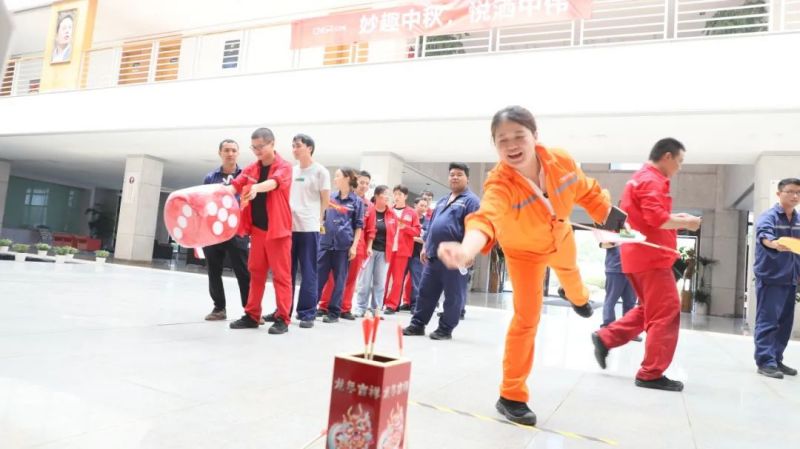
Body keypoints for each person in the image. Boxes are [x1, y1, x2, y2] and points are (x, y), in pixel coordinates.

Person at [437, 106, 616, 426]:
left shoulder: (561, 161)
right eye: (502, 140)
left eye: (519, 136)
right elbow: (485, 218)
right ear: (494, 145)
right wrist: (466, 249)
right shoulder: (499, 183)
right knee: (526, 318)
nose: (512, 145)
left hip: (560, 235)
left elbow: (589, 193)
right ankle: (511, 395)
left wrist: (619, 226)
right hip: (523, 254)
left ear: (535, 136)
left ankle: (578, 299)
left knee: (572, 275)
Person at [591, 138, 702, 392]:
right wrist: (688, 223)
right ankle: (651, 373)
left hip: (638, 257)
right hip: (651, 258)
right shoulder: (652, 180)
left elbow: (647, 218)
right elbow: (656, 218)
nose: (680, 167)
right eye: (679, 161)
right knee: (666, 311)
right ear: (667, 156)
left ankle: (606, 337)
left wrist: (678, 218)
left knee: (649, 309)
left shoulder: (640, 178)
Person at [227, 128, 293, 334]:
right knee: (255, 273)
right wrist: (219, 194)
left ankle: (283, 318)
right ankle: (252, 315)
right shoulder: (251, 168)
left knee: (281, 276)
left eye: (260, 147)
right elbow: (235, 186)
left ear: (272, 144)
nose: (257, 151)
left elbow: (274, 183)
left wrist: (256, 187)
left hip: (278, 231)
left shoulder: (284, 167)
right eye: (253, 147)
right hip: (257, 230)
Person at [404, 162, 480, 340]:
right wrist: (425, 246)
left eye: (459, 174)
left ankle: (445, 329)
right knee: (425, 292)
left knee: (453, 295)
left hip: (456, 259)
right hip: (433, 256)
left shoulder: (471, 201)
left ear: (467, 179)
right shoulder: (442, 201)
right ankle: (417, 325)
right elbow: (431, 226)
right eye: (452, 174)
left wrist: (469, 252)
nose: (455, 177)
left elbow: (475, 229)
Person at [263, 134, 330, 324]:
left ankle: (307, 313)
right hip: (287, 228)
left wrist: (318, 221)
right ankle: (283, 310)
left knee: (309, 271)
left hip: (309, 228)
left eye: (298, 145)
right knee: (285, 272)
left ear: (309, 148)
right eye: (293, 146)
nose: (294, 149)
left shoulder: (321, 172)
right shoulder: (291, 171)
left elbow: (325, 201)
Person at [753, 178, 800, 379]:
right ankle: (765, 361)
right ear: (779, 193)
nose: (795, 196)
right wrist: (773, 244)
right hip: (771, 277)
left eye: (798, 192)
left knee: (784, 323)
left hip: (791, 278)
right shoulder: (769, 216)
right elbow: (764, 235)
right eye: (790, 191)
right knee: (768, 320)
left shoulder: (798, 219)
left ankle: (776, 358)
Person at [305, 168, 364, 326]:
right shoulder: (330, 198)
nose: (335, 178)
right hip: (325, 244)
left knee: (339, 281)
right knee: (318, 278)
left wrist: (354, 247)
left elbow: (359, 226)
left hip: (343, 246)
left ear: (347, 178)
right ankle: (310, 309)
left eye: (338, 176)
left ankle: (334, 312)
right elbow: (322, 217)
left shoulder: (357, 201)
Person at [201, 139, 251, 321]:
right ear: (220, 153)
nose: (230, 153)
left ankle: (251, 310)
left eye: (233, 150)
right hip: (213, 231)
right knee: (214, 270)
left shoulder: (246, 176)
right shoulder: (210, 177)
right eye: (227, 150)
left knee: (243, 271)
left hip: (238, 230)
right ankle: (219, 308)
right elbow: (204, 202)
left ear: (238, 153)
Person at [319, 170, 376, 319]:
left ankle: (341, 309)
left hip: (352, 245)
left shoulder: (366, 205)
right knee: (326, 277)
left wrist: (362, 247)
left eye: (367, 183)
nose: (364, 186)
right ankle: (321, 306)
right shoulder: (333, 197)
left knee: (346, 279)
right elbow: (323, 217)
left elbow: (367, 228)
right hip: (329, 243)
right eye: (361, 182)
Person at [355, 185, 396, 316]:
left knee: (380, 282)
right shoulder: (369, 210)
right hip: (368, 251)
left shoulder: (392, 214)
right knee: (365, 282)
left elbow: (393, 232)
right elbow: (363, 229)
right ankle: (361, 307)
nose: (388, 197)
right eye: (385, 194)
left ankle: (376, 308)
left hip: (384, 252)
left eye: (389, 195)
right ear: (377, 196)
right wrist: (365, 246)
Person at [383, 185, 421, 314]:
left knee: (398, 279)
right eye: (395, 194)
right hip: (387, 249)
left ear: (405, 196)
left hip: (402, 251)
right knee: (384, 277)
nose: (397, 197)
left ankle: (392, 305)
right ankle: (380, 302)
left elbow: (417, 231)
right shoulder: (388, 211)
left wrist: (405, 227)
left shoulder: (412, 213)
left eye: (400, 194)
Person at [399, 197, 429, 312]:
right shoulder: (408, 217)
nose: (423, 208)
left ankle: (415, 305)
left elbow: (425, 239)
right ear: (415, 205)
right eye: (421, 205)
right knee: (399, 279)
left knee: (417, 281)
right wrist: (413, 235)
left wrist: (412, 237)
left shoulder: (427, 222)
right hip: (404, 252)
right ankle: (396, 304)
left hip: (417, 254)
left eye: (425, 206)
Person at [600, 241, 637, 329]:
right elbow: (602, 244)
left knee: (630, 302)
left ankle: (627, 328)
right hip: (615, 270)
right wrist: (618, 241)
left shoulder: (637, 233)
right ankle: (608, 328)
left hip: (633, 270)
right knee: (611, 300)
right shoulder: (612, 232)